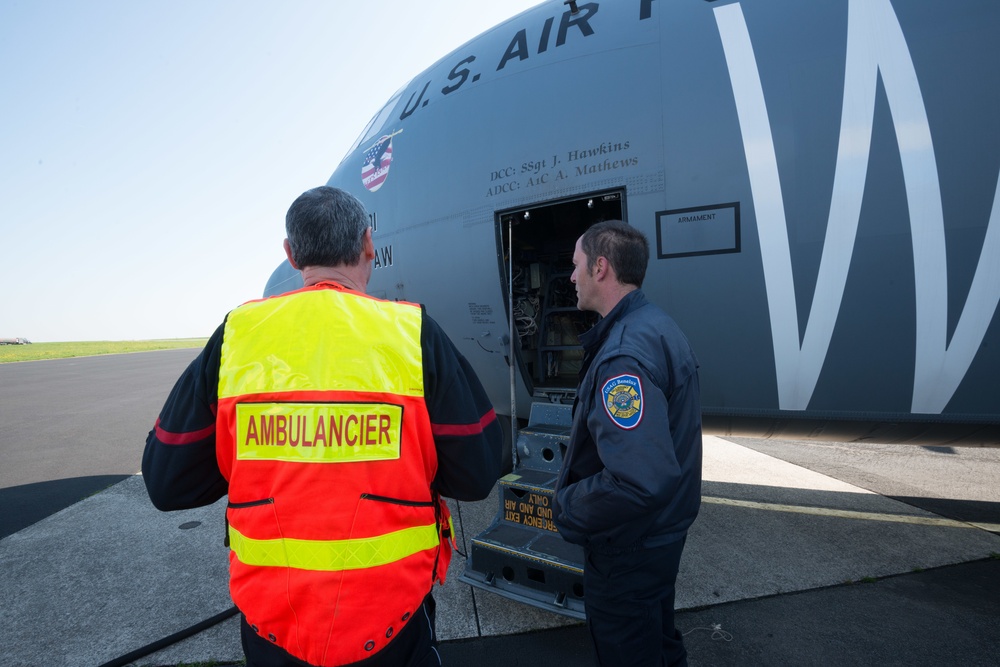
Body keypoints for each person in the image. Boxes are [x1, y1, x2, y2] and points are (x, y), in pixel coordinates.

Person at [142, 186, 504, 667]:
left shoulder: (237, 337)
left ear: (291, 255)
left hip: (272, 626)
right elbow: (477, 472)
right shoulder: (412, 334)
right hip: (392, 622)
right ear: (368, 244)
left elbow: (168, 482)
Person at [553, 220, 702, 667]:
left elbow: (639, 479)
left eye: (577, 265)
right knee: (658, 643)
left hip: (628, 551)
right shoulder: (656, 326)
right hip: (659, 538)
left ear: (601, 268)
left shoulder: (623, 356)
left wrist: (567, 506)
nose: (572, 276)